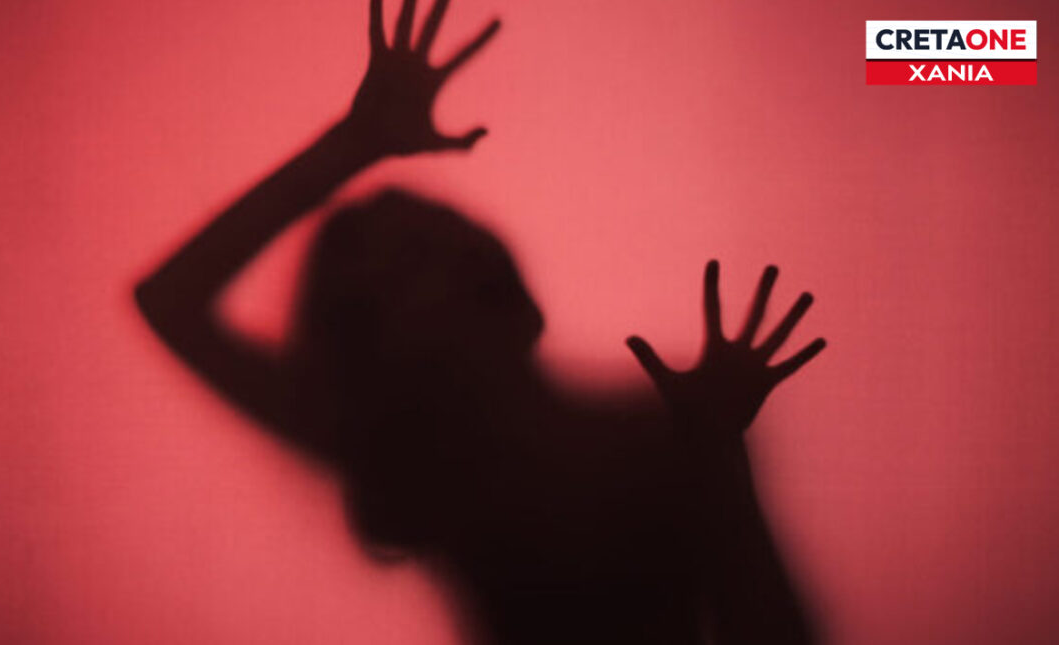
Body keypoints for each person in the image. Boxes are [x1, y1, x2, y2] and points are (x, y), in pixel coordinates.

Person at [135, 1, 827, 643]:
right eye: (400, 271)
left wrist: (717, 461)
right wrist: (350, 143)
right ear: (371, 346)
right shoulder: (414, 460)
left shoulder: (655, 439)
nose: (438, 269)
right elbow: (171, 301)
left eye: (436, 243)